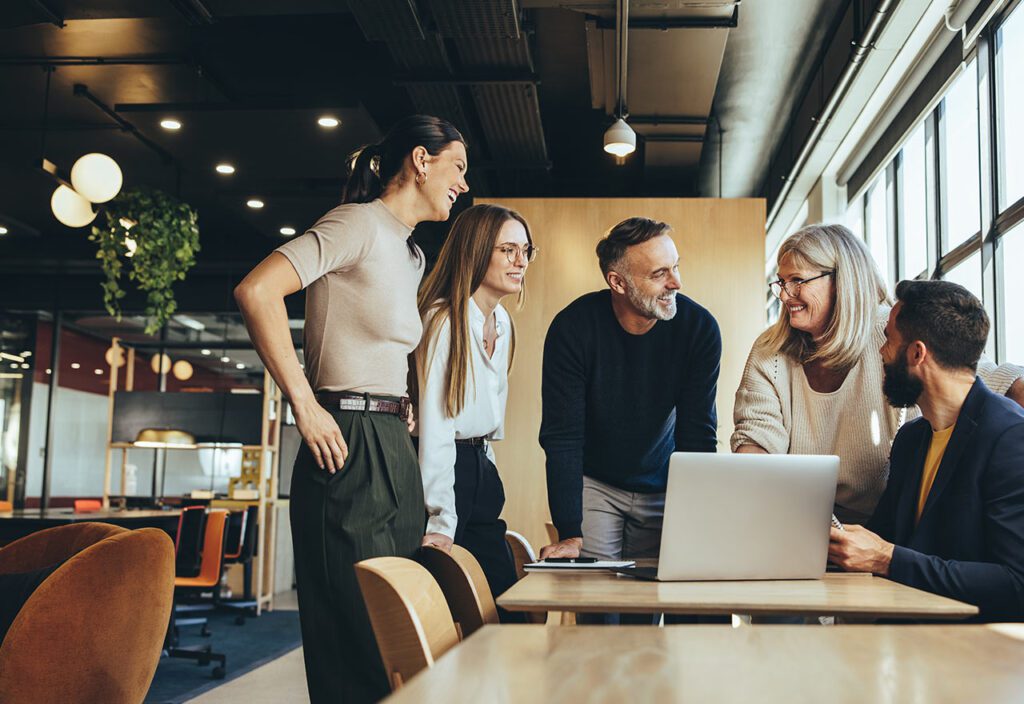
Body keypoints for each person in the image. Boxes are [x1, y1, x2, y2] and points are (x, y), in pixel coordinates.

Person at [234, 115, 468, 704]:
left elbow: (374, 339)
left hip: (391, 441)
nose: (463, 183)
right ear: (421, 159)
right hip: (344, 439)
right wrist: (306, 406)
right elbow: (256, 292)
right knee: (355, 636)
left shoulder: (411, 255)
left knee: (399, 631)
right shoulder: (355, 224)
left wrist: (402, 402)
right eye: (457, 167)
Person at [732, 224, 1024, 524]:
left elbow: (989, 380)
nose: (785, 294)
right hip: (801, 520)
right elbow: (757, 441)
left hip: (889, 527)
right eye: (781, 282)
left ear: (841, 281)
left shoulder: (894, 332)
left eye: (797, 280)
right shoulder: (771, 351)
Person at [829, 280, 1024, 622]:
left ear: (917, 353)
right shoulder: (911, 440)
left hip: (979, 656)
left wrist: (887, 558)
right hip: (907, 643)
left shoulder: (1011, 437)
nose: (881, 352)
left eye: (888, 339)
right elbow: (882, 540)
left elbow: (1016, 584)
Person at [538, 217, 721, 579]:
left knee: (649, 601)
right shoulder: (572, 329)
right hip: (597, 483)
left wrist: (698, 518)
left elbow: (698, 432)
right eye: (659, 274)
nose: (676, 283)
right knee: (598, 601)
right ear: (617, 282)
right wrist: (570, 531)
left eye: (676, 267)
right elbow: (563, 437)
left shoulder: (699, 329)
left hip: (666, 481)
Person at [414, 203, 535, 620]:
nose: (521, 261)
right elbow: (436, 426)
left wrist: (489, 470)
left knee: (504, 608)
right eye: (507, 250)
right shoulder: (443, 320)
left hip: (481, 468)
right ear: (476, 251)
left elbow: (489, 419)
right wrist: (441, 519)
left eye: (525, 250)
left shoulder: (501, 322)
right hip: (447, 474)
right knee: (449, 613)